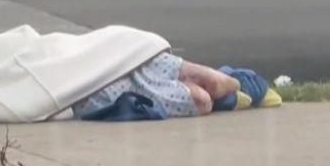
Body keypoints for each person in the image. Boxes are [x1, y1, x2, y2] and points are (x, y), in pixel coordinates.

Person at [73, 53, 242, 119]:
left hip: (115, 57)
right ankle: (232, 93)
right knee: (202, 100)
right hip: (93, 89)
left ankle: (240, 84)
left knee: (216, 82)